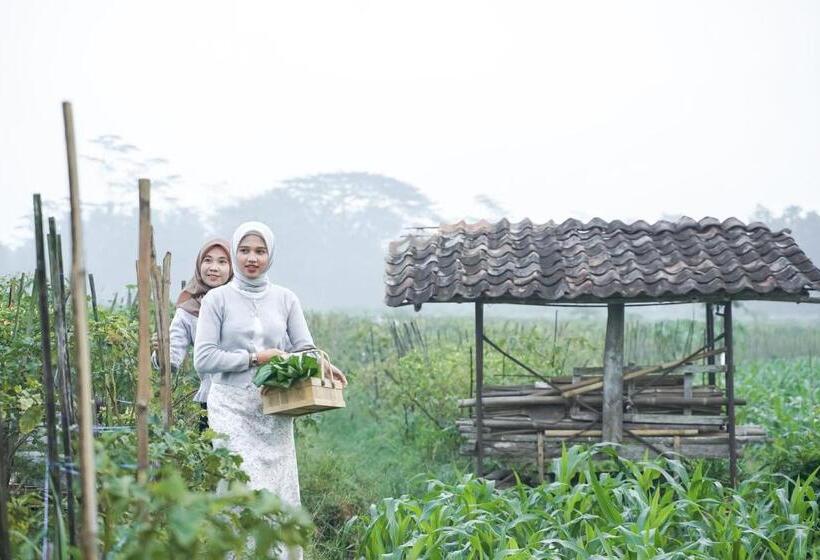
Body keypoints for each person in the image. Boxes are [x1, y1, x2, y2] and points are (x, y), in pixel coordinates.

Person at [193, 221, 346, 559]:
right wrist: (255, 358)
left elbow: (304, 347)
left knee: (278, 490)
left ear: (270, 255)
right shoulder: (217, 299)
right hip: (230, 408)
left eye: (260, 251)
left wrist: (321, 363)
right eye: (245, 250)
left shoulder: (285, 299)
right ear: (235, 253)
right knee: (243, 486)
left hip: (274, 407)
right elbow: (203, 359)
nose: (252, 258)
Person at [152, 238, 232, 431]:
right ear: (199, 265)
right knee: (213, 447)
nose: (213, 268)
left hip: (250, 397)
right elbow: (171, 360)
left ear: (233, 268)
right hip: (212, 399)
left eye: (222, 262)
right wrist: (161, 350)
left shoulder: (245, 301)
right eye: (207, 260)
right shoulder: (189, 310)